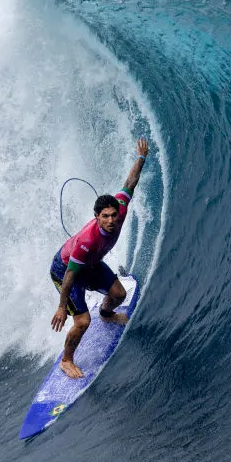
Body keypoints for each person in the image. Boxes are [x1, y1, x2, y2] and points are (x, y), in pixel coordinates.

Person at [49, 138, 150, 378]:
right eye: (105, 216)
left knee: (118, 295)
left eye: (114, 215)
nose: (111, 220)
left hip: (90, 265)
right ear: (96, 216)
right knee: (82, 322)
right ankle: (66, 360)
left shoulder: (120, 209)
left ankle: (106, 314)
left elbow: (130, 183)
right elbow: (71, 274)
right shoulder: (87, 241)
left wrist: (141, 158)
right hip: (65, 270)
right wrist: (62, 307)